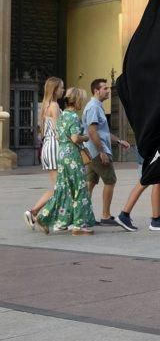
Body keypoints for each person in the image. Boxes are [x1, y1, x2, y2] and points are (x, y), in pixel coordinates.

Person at [36, 87, 97, 235]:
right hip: (73, 156)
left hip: (62, 154)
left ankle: (48, 218)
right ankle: (79, 226)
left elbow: (58, 136)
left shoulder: (63, 115)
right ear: (77, 101)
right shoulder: (74, 117)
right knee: (79, 188)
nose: (82, 103)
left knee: (64, 188)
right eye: (82, 100)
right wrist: (86, 138)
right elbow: (76, 138)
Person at [83, 78, 130, 225]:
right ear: (96, 91)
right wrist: (102, 151)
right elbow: (92, 131)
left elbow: (102, 132)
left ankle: (84, 215)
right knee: (110, 180)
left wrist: (119, 141)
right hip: (97, 151)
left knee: (90, 182)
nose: (108, 91)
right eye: (105, 88)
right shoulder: (94, 107)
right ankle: (105, 215)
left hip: (91, 150)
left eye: (108, 88)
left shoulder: (96, 107)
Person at [25, 76, 63, 230]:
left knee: (58, 186)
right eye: (61, 87)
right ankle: (36, 212)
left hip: (47, 146)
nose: (63, 90)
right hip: (54, 145)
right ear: (54, 89)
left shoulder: (45, 105)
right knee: (59, 187)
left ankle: (37, 213)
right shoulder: (54, 105)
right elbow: (57, 130)